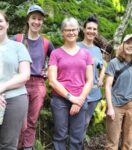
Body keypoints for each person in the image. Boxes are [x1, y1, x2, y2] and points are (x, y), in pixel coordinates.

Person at [48, 17, 93, 150]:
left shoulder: (86, 54)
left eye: (74, 30)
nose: (71, 33)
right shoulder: (55, 54)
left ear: (78, 31)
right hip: (60, 100)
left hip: (80, 98)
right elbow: (52, 80)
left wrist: (79, 100)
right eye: (67, 30)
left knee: (77, 138)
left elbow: (90, 80)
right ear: (62, 32)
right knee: (60, 135)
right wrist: (71, 98)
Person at [13, 4, 54, 150]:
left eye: (39, 19)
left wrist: (49, 73)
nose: (36, 22)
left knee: (32, 120)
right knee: (19, 121)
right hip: (19, 84)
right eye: (33, 18)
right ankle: (15, 146)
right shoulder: (17, 39)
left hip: (38, 84)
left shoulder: (46, 43)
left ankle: (28, 147)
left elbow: (56, 60)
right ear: (28, 20)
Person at [105, 34, 132, 150]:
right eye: (128, 43)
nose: (130, 46)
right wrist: (109, 107)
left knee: (128, 142)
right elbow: (108, 86)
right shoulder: (114, 63)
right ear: (123, 44)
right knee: (112, 142)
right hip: (115, 104)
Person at [0, 11, 31, 149]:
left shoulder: (18, 47)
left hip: (14, 99)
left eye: (0, 21)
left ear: (7, 24)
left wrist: (2, 87)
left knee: (8, 144)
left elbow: (25, 75)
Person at [77, 16, 105, 135]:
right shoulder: (76, 46)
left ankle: (79, 145)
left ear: (96, 32)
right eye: (89, 28)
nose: (91, 31)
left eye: (94, 29)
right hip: (78, 92)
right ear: (83, 30)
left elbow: (103, 65)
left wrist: (101, 78)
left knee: (85, 124)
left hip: (94, 94)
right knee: (76, 124)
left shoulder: (98, 50)